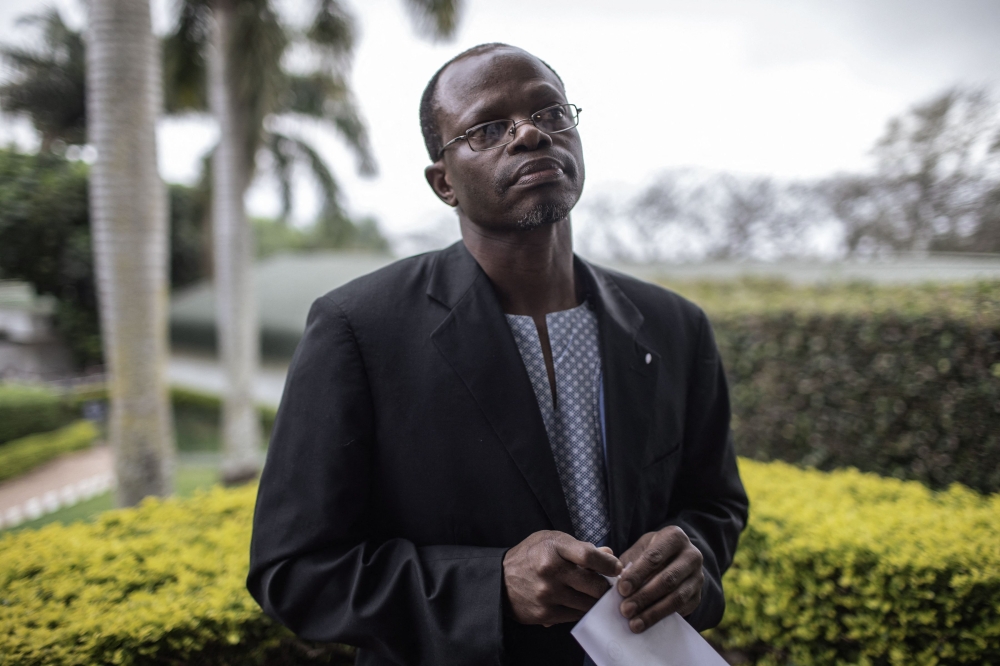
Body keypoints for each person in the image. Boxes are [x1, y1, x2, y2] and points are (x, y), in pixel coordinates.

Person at [247, 43, 748, 666]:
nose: (531, 134)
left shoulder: (675, 326)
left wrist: (689, 551)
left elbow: (716, 503)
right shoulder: (358, 330)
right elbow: (293, 570)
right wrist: (488, 584)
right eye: (488, 128)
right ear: (444, 183)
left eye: (551, 113)